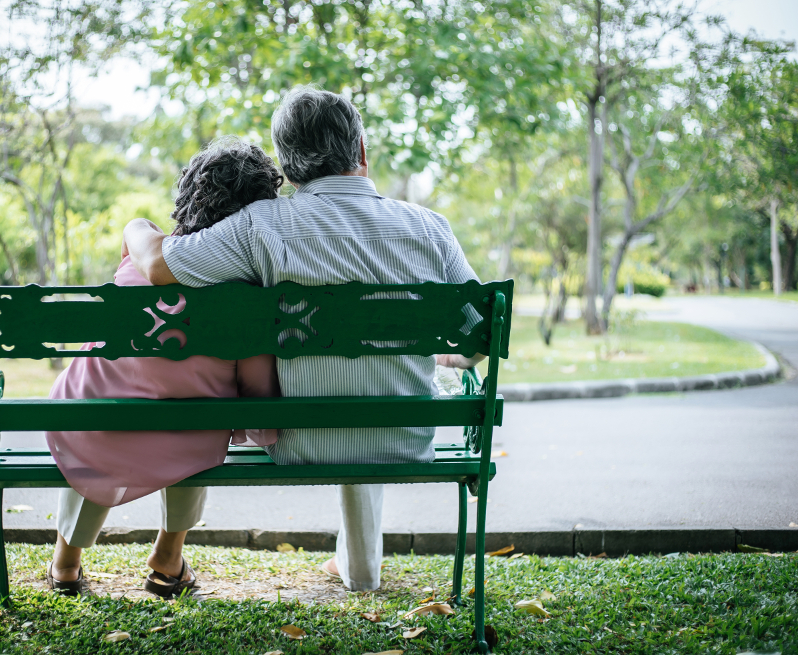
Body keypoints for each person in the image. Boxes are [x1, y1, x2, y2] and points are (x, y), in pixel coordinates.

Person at [122, 85, 484, 591]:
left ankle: (356, 564)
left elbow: (160, 264)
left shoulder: (260, 227)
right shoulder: (429, 228)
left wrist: (136, 227)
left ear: (288, 169)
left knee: (344, 386)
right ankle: (361, 566)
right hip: (406, 436)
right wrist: (448, 352)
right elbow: (479, 334)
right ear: (360, 150)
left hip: (302, 441)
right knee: (377, 380)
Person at [46, 138, 284, 597]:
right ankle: (168, 558)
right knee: (197, 430)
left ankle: (66, 562)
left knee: (98, 421)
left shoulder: (144, 258)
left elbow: (137, 235)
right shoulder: (248, 299)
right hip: (186, 435)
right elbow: (258, 401)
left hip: (92, 421)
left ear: (190, 196)